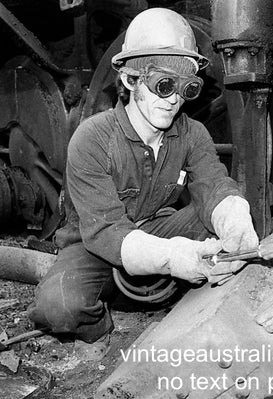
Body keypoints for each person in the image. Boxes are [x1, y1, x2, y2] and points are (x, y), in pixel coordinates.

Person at [27, 8, 258, 357]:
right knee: (58, 307)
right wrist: (174, 258)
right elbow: (108, 233)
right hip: (96, 246)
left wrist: (234, 219)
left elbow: (213, 186)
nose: (173, 99)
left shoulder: (192, 133)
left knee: (228, 226)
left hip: (158, 227)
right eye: (163, 85)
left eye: (185, 88)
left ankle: (202, 308)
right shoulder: (92, 138)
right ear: (131, 80)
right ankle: (103, 328)